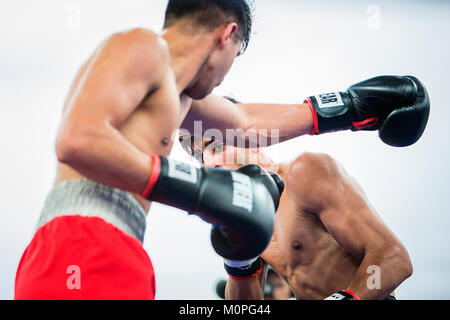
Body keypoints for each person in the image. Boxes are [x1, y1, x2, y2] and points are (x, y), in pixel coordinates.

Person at [15, 0, 428, 299]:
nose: (206, 157)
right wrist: (198, 191)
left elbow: (246, 124)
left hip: (117, 247)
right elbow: (77, 140)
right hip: (83, 242)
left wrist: (350, 107)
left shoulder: (176, 96)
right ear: (228, 36)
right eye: (236, 56)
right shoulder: (144, 47)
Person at [180, 133, 413, 300]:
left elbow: (393, 259)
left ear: (253, 142)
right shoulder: (245, 212)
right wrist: (237, 262)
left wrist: (349, 298)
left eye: (216, 147)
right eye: (199, 157)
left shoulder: (305, 172)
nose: (209, 163)